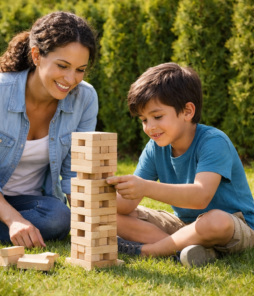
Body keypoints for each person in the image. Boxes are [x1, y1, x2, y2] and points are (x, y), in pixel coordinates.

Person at [0, 11, 98, 248]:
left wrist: (87, 225)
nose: (71, 79)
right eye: (62, 65)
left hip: (29, 201)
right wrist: (13, 221)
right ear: (36, 55)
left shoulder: (85, 98)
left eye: (80, 69)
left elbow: (74, 173)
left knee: (59, 218)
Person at [107, 63, 254, 267]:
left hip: (233, 225)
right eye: (143, 120)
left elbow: (200, 197)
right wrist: (104, 185)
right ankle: (188, 249)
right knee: (110, 216)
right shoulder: (155, 148)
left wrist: (145, 187)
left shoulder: (214, 141)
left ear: (187, 111)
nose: (149, 127)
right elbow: (126, 205)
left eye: (157, 116)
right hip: (185, 225)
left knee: (215, 221)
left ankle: (147, 251)